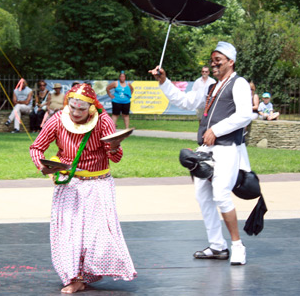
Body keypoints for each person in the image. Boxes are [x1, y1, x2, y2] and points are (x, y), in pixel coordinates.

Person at [149, 41, 253, 266]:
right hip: (206, 150)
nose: (214, 64)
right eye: (212, 60)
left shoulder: (239, 83)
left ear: (231, 62)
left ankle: (237, 245)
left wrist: (216, 129)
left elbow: (245, 115)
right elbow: (186, 102)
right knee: (203, 196)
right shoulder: (209, 87)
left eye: (219, 60)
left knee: (221, 194)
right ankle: (217, 246)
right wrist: (164, 82)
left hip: (227, 148)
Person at [30, 84, 137, 293]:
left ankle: (87, 274)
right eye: (73, 108)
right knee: (69, 235)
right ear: (67, 104)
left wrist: (114, 146)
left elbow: (115, 158)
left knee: (94, 236)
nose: (77, 113)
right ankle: (74, 277)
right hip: (70, 184)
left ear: (91, 107)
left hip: (98, 184)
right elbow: (36, 147)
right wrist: (44, 167)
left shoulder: (103, 121)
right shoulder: (58, 119)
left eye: (82, 109)